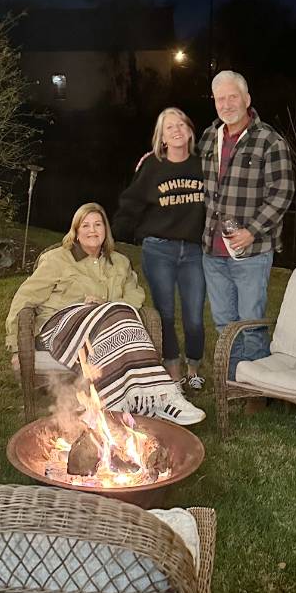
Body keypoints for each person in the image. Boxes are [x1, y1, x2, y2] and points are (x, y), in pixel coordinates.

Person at [5, 203, 205, 424]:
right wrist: (16, 346)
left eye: (98, 224)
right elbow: (24, 299)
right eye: (86, 225)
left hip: (106, 330)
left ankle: (120, 400)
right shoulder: (57, 260)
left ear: (106, 230)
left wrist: (105, 305)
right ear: (76, 232)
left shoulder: (120, 262)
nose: (92, 230)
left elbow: (135, 297)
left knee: (118, 312)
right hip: (62, 328)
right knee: (116, 314)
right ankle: (162, 395)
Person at [199, 71, 295, 378]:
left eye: (233, 97)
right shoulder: (208, 138)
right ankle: (232, 380)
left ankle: (256, 384)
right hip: (212, 250)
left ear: (247, 99)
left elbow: (282, 192)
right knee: (223, 322)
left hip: (252, 251)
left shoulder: (269, 140)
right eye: (220, 99)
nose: (227, 104)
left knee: (250, 321)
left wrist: (251, 231)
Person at [112, 108, 206, 392]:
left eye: (181, 125)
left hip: (193, 252)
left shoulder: (204, 166)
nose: (176, 130)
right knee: (165, 313)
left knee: (194, 316)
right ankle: (173, 371)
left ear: (190, 131)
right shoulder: (152, 166)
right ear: (162, 137)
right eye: (169, 128)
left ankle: (194, 369)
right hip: (159, 250)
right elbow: (131, 203)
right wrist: (111, 238)